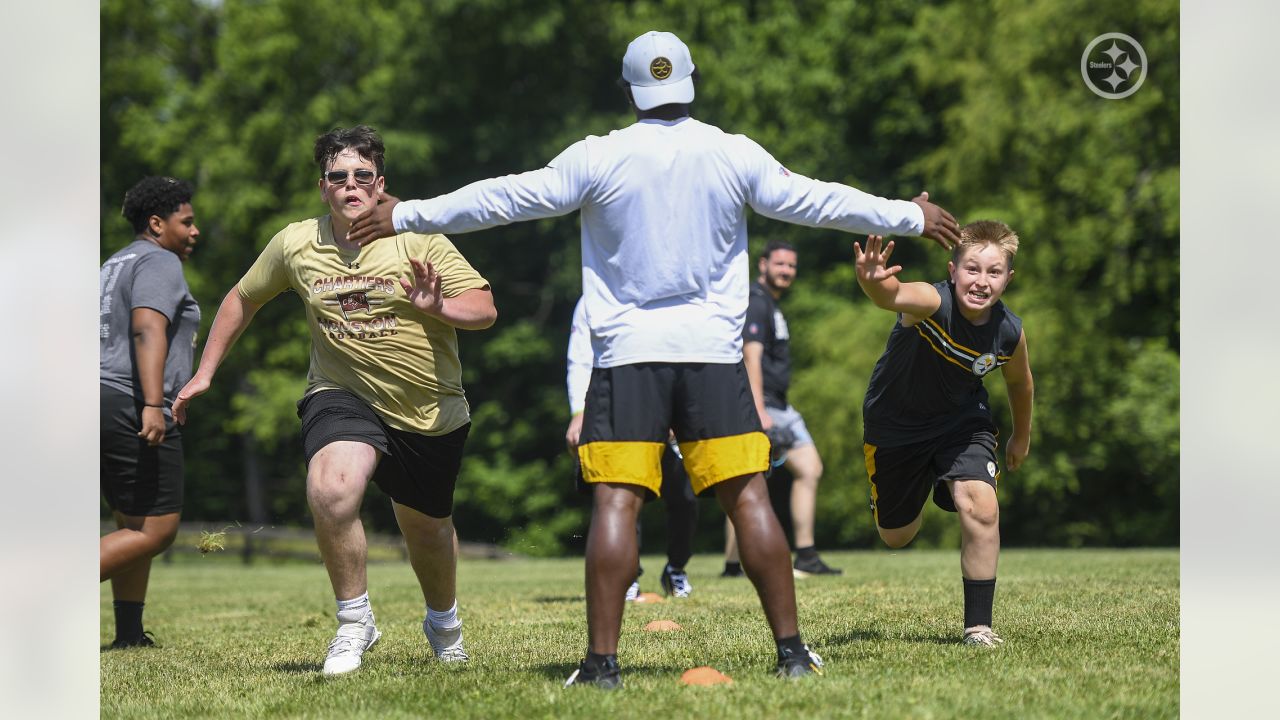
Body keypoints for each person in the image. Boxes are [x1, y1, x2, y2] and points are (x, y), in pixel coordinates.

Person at [348, 30, 960, 687]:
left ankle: (602, 666)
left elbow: (508, 197)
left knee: (616, 504)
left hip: (627, 358)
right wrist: (908, 216)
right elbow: (819, 199)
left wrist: (407, 213)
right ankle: (791, 655)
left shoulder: (599, 156)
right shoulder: (732, 153)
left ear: (628, 91)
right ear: (691, 82)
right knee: (749, 498)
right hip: (712, 358)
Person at [171, 126, 497, 675]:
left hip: (427, 409)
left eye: (362, 176)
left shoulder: (420, 239)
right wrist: (205, 373)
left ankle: (444, 623)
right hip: (340, 394)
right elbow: (242, 297)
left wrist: (436, 305)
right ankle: (354, 621)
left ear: (380, 185)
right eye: (338, 176)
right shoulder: (296, 243)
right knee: (331, 488)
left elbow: (484, 309)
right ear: (324, 187)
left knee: (427, 528)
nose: (351, 185)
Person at [853, 222, 1033, 647]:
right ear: (953, 271)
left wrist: (1019, 437)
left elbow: (1020, 384)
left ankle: (978, 628)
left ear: (1009, 277)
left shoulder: (1009, 331)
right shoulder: (932, 302)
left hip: (962, 423)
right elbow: (893, 295)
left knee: (982, 505)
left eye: (994, 271)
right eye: (972, 269)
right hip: (895, 426)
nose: (981, 281)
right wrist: (872, 282)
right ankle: (916, 487)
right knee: (897, 536)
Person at [100, 176, 201, 648]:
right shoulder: (158, 261)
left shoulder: (113, 264)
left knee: (132, 522)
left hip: (96, 396)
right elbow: (146, 328)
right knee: (157, 531)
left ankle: (129, 633)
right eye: (188, 221)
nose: (195, 230)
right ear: (157, 224)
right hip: (129, 398)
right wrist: (153, 403)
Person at [565, 297, 698, 600]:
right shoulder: (595, 298)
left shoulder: (673, 294)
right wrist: (578, 412)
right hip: (618, 410)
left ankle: (676, 568)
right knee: (624, 498)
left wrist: (678, 409)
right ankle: (628, 576)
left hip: (668, 409)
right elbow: (581, 358)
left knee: (685, 498)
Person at [723, 240, 841, 579]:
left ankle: (744, 564)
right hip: (765, 405)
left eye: (791, 266)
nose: (787, 271)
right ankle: (794, 556)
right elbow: (751, 357)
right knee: (762, 477)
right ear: (763, 265)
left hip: (778, 403)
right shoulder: (757, 302)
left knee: (761, 477)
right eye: (780, 264)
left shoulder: (770, 305)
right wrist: (759, 409)